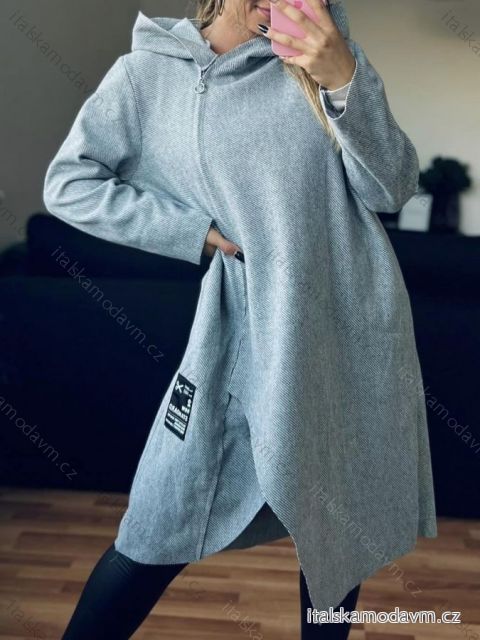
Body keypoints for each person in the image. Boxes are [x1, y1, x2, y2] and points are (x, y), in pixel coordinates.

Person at [43, 0, 438, 637]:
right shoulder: (147, 74)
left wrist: (343, 77)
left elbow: (391, 188)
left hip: (350, 327)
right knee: (158, 518)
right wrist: (191, 232)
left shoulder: (321, 54)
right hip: (240, 333)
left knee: (337, 533)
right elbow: (70, 183)